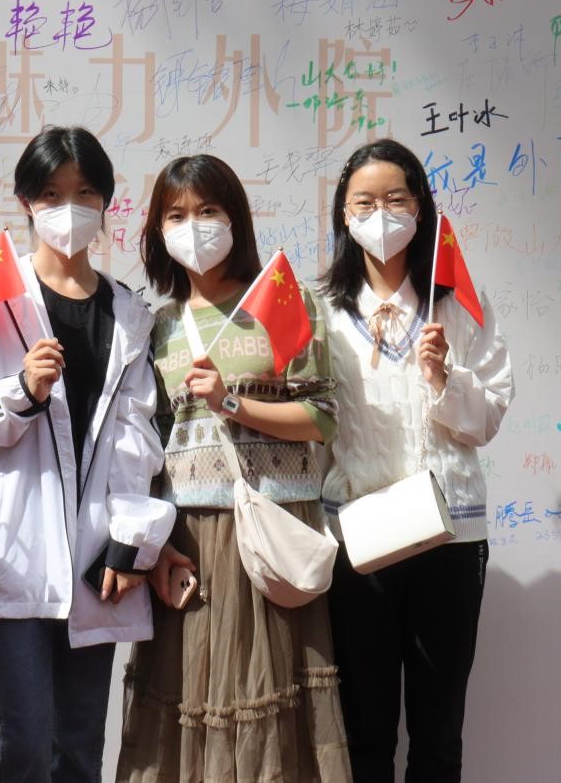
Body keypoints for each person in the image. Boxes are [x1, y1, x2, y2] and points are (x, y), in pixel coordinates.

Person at [117, 154, 352, 783]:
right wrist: (155, 541)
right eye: (176, 215)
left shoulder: (283, 300)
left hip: (272, 527)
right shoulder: (157, 325)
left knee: (270, 707)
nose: (193, 227)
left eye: (208, 210)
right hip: (190, 536)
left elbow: (322, 418)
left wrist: (231, 402)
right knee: (189, 704)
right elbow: (149, 443)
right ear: (158, 230)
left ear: (235, 219)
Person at [0, 126, 173, 783]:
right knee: (21, 743)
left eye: (83, 193)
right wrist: (21, 391)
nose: (67, 208)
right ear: (25, 200)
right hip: (16, 552)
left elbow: (138, 438)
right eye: (51, 193)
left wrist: (130, 543)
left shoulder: (128, 312)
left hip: (95, 559)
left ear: (105, 202)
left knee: (78, 748)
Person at [319, 139, 514, 783]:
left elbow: (487, 418)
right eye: (364, 202)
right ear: (343, 214)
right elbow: (313, 427)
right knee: (364, 731)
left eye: (396, 199)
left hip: (450, 537)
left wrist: (443, 378)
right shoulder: (323, 312)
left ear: (421, 208)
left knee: (438, 732)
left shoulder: (455, 304)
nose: (381, 215)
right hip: (359, 543)